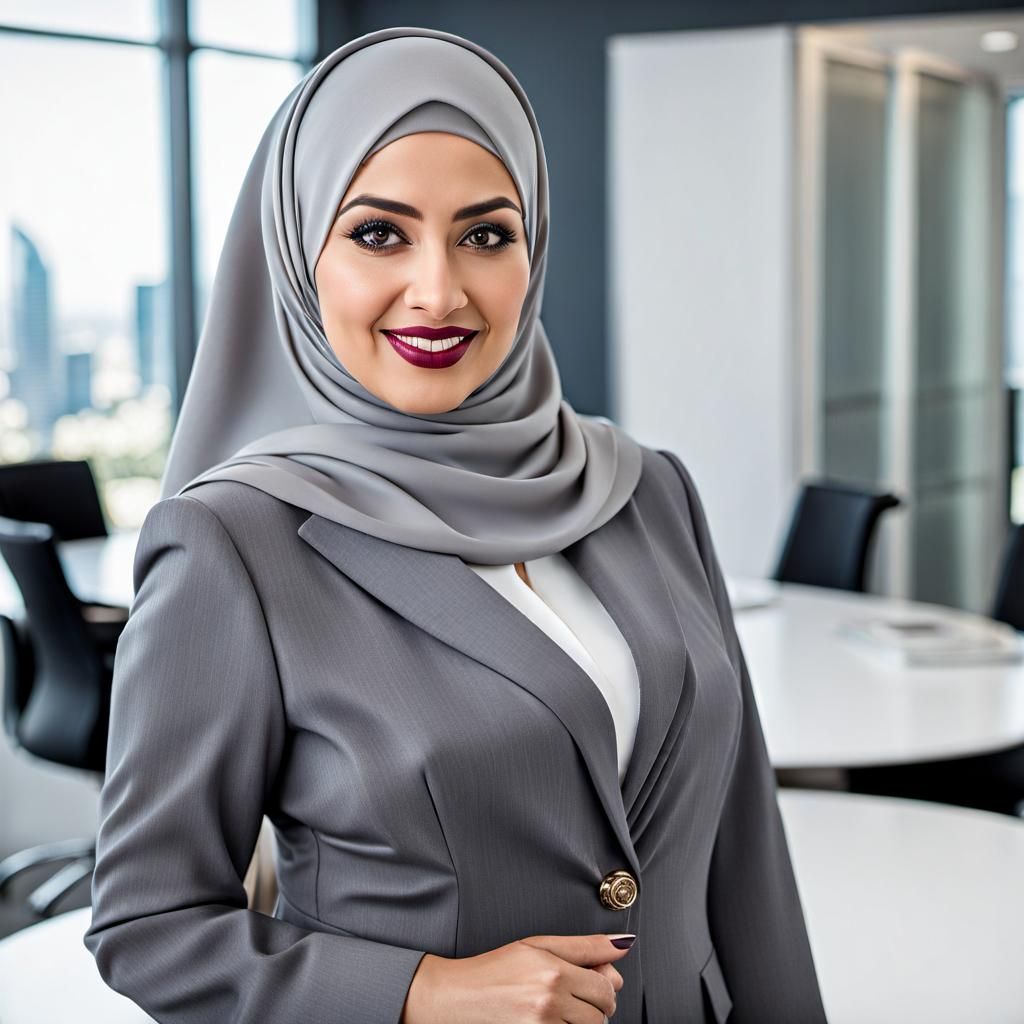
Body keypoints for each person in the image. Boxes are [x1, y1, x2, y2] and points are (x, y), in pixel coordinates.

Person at [83, 25, 827, 1024]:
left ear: (534, 248)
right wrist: (420, 989)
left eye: (486, 233)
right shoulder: (234, 545)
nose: (437, 290)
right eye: (378, 233)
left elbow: (744, 851)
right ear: (301, 255)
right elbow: (148, 922)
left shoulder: (648, 489)